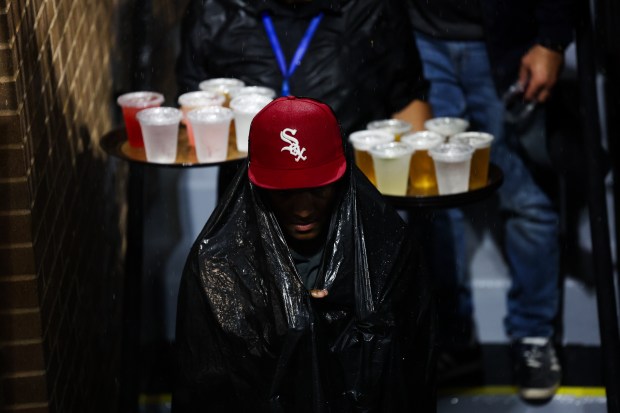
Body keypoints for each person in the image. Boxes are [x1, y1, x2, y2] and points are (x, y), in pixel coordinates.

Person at [172, 96, 435, 411]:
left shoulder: (389, 252)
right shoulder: (215, 267)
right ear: (259, 187)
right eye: (285, 193)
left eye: (318, 189)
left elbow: (404, 372)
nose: (304, 210)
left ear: (341, 179)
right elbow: (213, 388)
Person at [407, 0, 574, 402]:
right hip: (419, 38)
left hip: (507, 43)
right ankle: (451, 340)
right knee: (431, 198)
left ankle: (533, 335)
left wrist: (553, 40)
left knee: (528, 197)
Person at [177, 0, 433, 196]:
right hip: (250, 201)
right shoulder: (215, 9)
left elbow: (408, 102)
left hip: (349, 195)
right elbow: (192, 106)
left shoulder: (372, 7)